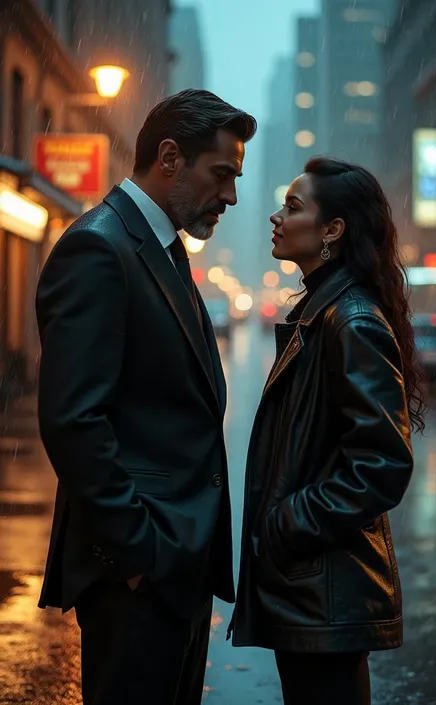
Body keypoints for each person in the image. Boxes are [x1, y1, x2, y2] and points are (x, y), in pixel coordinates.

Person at [36, 89, 256, 705]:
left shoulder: (162, 246)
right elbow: (73, 419)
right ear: (168, 157)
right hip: (139, 571)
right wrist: (137, 553)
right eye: (221, 175)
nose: (231, 197)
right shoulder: (99, 248)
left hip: (174, 566)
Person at [229, 157, 425, 704]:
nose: (275, 217)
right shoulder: (323, 310)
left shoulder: (351, 319)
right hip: (315, 589)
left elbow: (382, 464)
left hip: (327, 591)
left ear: (332, 230)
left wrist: (288, 524)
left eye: (292, 207)